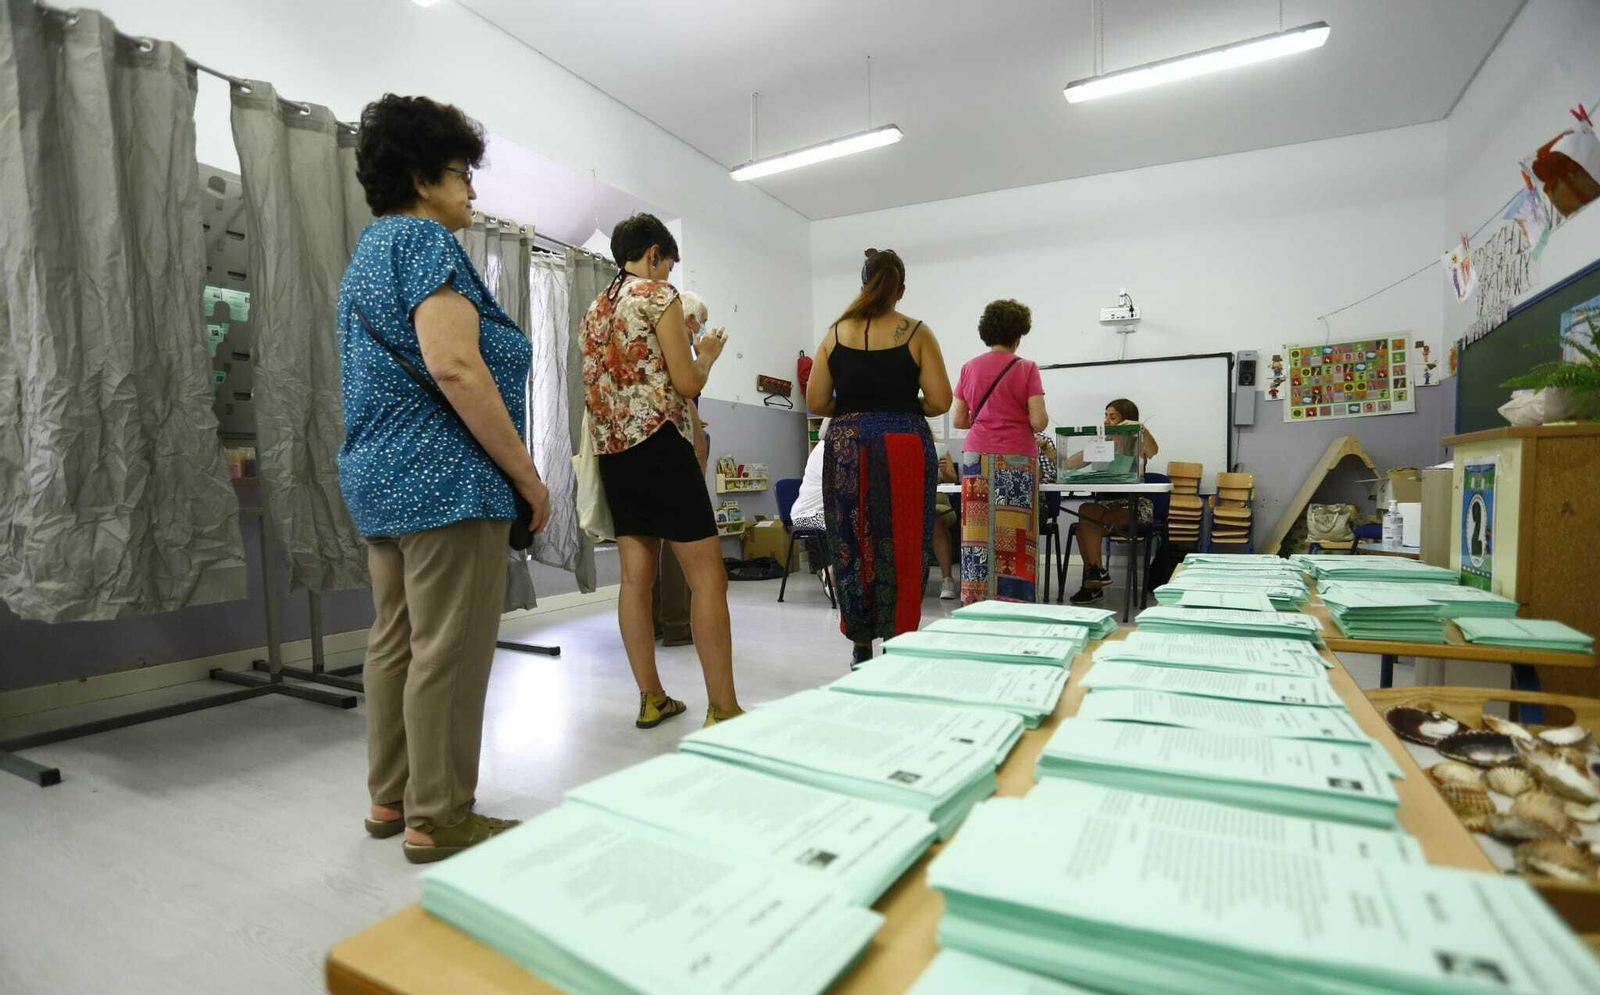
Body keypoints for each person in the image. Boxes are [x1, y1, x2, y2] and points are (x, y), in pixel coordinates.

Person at [337, 94, 550, 863]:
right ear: (423, 177)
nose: (472, 189)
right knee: (449, 647)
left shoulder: (368, 253)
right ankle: (441, 816)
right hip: (445, 481)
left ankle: (390, 797)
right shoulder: (426, 244)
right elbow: (456, 365)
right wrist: (528, 478)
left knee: (395, 637)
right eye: (462, 172)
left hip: (381, 482)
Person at [580, 214, 742, 728]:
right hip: (659, 447)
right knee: (708, 578)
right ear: (654, 254)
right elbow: (687, 381)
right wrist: (709, 354)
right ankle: (723, 707)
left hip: (614, 454)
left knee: (634, 579)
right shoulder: (657, 296)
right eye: (668, 264)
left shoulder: (594, 308)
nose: (669, 275)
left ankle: (652, 698)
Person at [806, 248, 952, 668]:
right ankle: (899, 642)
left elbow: (817, 400)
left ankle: (860, 646)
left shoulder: (835, 333)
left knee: (852, 542)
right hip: (904, 441)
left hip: (849, 443)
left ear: (863, 283)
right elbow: (941, 400)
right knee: (905, 543)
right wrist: (905, 408)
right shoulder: (917, 332)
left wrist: (852, 410)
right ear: (900, 288)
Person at [950, 300, 1049, 605]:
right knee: (1016, 534)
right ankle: (1014, 598)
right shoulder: (1026, 368)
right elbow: (1038, 420)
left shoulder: (969, 367)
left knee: (977, 532)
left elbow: (958, 420)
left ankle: (976, 599)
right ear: (1019, 334)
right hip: (1017, 458)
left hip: (976, 458)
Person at [651, 291, 711, 648]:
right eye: (699, 322)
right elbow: (686, 392)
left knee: (654, 540)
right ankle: (677, 623)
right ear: (688, 321)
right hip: (679, 449)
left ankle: (660, 621)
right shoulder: (682, 348)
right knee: (682, 539)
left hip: (651, 447)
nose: (699, 328)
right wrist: (699, 442)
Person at [1068, 398, 1159, 605]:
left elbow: (1153, 451)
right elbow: (1070, 463)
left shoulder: (1136, 443)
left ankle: (1092, 585)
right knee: (1085, 508)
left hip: (1135, 505)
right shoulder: (1103, 443)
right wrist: (1085, 450)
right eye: (1106, 416)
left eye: (1113, 416)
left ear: (1126, 419)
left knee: (1085, 528)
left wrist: (1140, 428)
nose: (1107, 420)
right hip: (1106, 505)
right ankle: (1097, 572)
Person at [933, 449, 959, 599]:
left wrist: (942, 470)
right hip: (910, 504)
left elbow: (952, 479)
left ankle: (947, 579)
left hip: (939, 504)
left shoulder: (939, 450)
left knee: (936, 520)